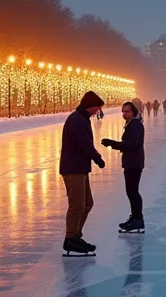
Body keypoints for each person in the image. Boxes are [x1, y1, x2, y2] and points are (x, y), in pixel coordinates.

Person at [61, 91, 107, 255]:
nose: (97, 112)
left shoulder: (82, 118)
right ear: (91, 106)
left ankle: (76, 235)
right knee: (77, 205)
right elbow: (84, 143)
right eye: (97, 108)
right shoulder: (77, 120)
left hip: (80, 168)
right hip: (73, 168)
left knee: (87, 203)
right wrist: (97, 158)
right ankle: (70, 238)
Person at [102, 101, 146, 233]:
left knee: (132, 191)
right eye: (123, 111)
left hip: (134, 163)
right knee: (131, 191)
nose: (124, 114)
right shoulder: (131, 124)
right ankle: (135, 217)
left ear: (133, 112)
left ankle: (138, 219)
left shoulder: (135, 125)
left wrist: (113, 143)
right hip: (132, 162)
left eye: (127, 111)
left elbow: (132, 144)